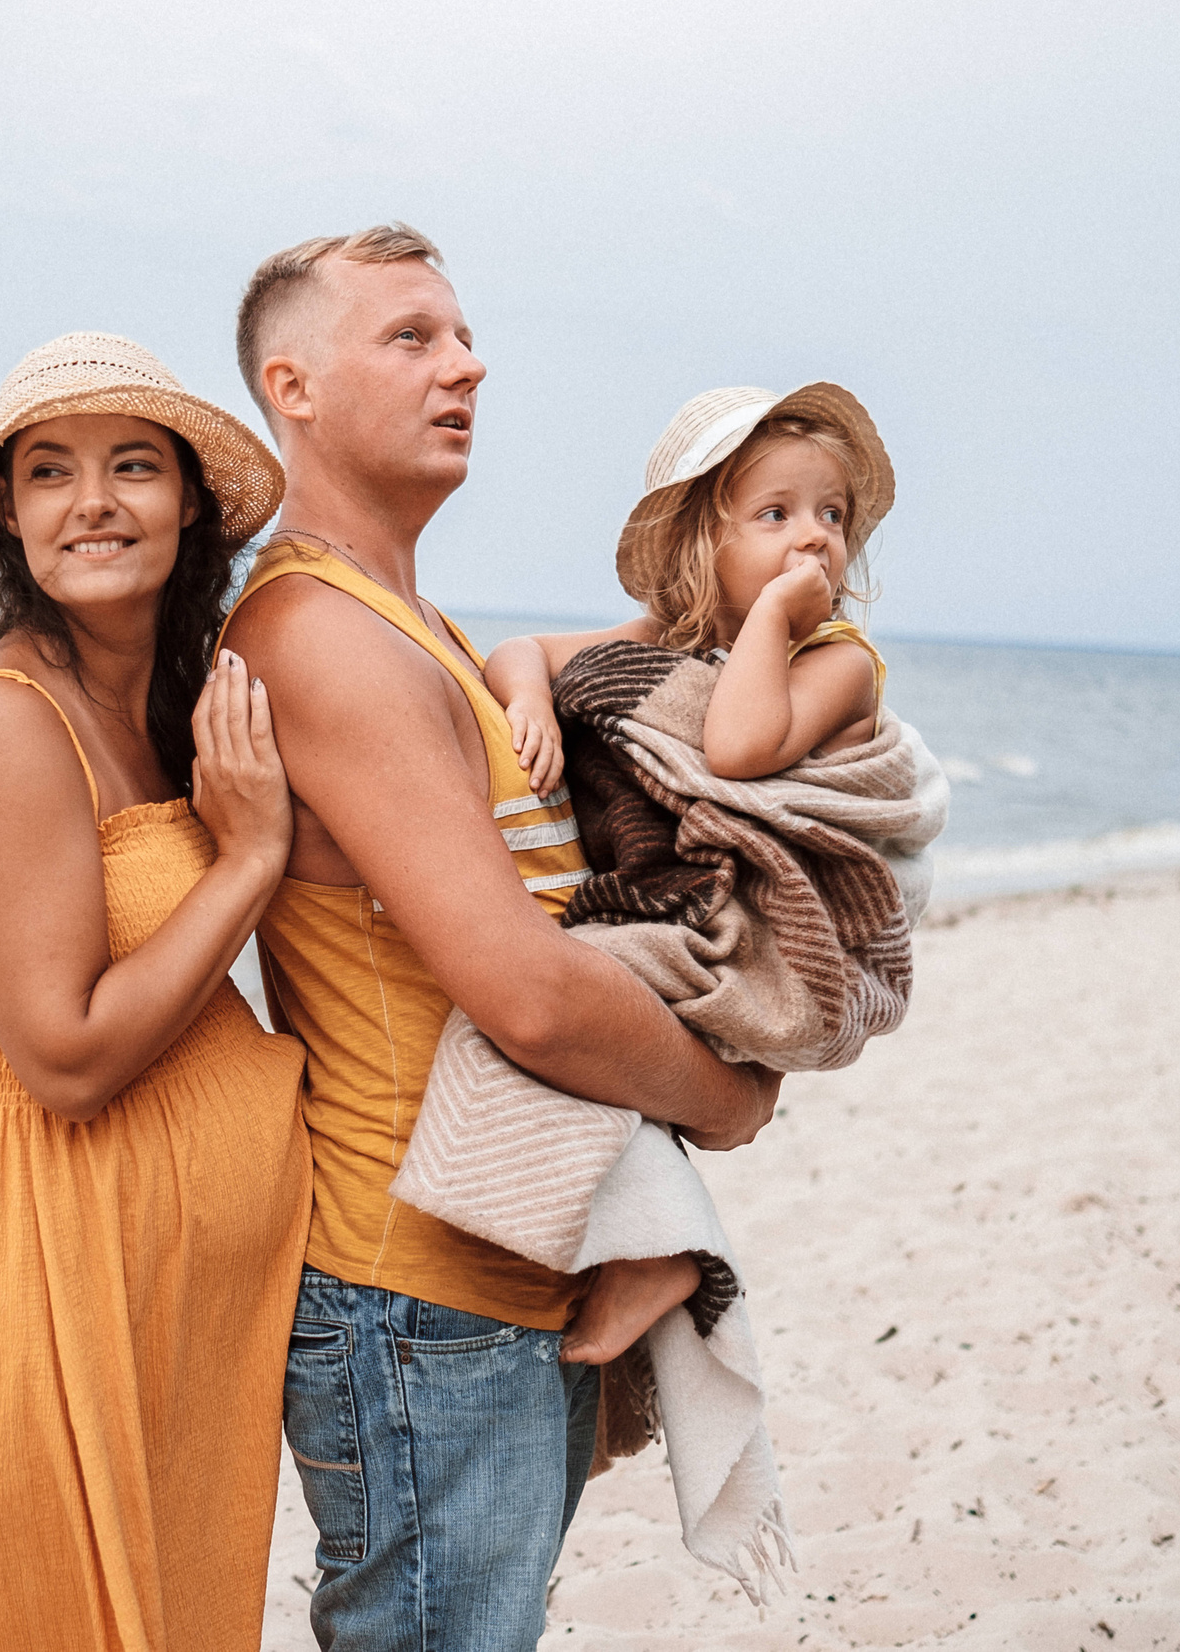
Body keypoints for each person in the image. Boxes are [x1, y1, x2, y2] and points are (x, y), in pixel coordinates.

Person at [217, 226, 781, 1651]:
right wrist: (728, 1096)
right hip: (417, 1287)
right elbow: (525, 990)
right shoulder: (324, 635)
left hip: (498, 1262)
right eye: (410, 336)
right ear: (292, 384)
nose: (465, 363)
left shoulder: (417, 624)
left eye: (462, 336)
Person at [0, 332, 313, 1652]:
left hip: (150, 1311)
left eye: (131, 466)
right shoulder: (3, 723)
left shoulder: (165, 714)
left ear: (191, 505)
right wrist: (254, 855)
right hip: (19, 1288)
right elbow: (65, 1054)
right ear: (9, 519)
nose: (91, 499)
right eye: (49, 472)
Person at [481, 382, 896, 1364]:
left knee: (565, 1000)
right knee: (564, 1024)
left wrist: (772, 621)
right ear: (701, 543)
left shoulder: (838, 662)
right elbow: (518, 648)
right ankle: (626, 1243)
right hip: (671, 898)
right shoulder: (670, 645)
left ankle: (656, 1254)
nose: (814, 539)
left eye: (831, 516)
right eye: (775, 514)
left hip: (757, 933)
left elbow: (741, 745)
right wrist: (535, 703)